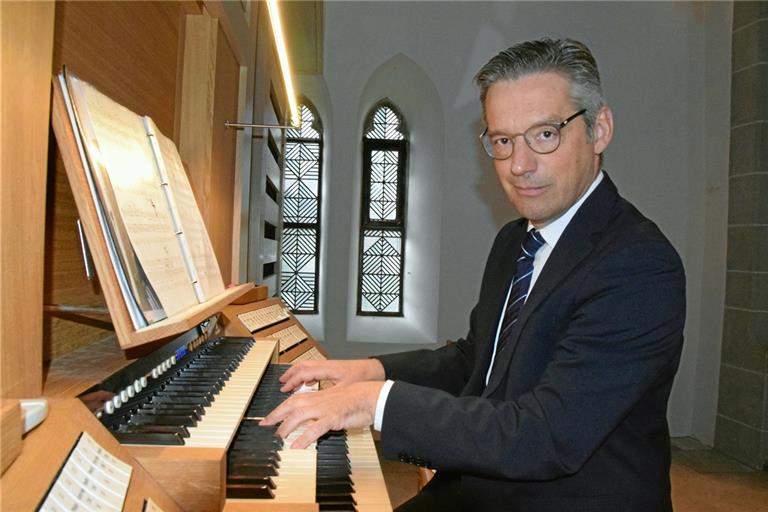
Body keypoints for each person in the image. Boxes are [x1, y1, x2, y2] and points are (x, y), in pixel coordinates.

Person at [261, 37, 686, 511]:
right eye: (503, 141)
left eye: (545, 134)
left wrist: (373, 402)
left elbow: (544, 436)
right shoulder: (515, 241)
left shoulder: (638, 265)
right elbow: (475, 361)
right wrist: (367, 371)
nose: (520, 166)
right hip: (482, 484)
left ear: (599, 129)